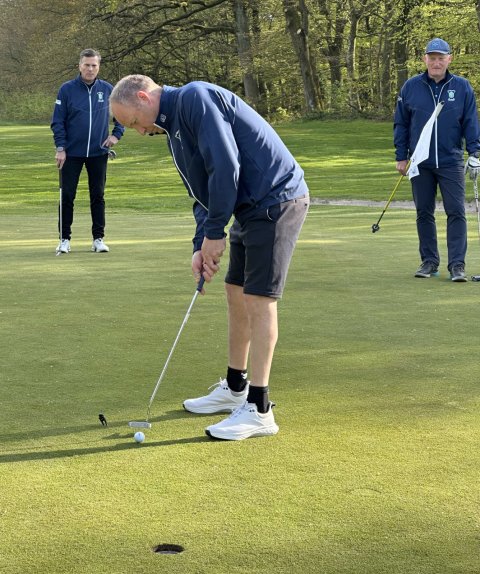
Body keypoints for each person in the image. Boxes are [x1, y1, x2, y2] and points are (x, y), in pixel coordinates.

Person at [110, 75, 309, 440]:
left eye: (134, 122)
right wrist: (200, 244)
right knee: (236, 292)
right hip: (249, 209)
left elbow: (225, 165)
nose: (138, 131)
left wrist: (216, 233)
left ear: (143, 97)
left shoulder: (195, 98)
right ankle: (236, 387)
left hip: (277, 199)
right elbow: (202, 191)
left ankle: (260, 409)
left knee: (259, 299)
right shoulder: (172, 131)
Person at [394, 37, 480, 281]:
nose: (436, 62)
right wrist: (401, 156)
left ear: (449, 59)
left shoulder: (461, 87)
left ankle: (457, 265)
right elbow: (401, 123)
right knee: (424, 212)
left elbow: (470, 121)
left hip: (451, 160)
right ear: (425, 59)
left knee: (456, 212)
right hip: (420, 162)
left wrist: (475, 153)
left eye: (441, 58)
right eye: (432, 58)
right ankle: (429, 262)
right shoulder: (411, 87)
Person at [51, 48, 125, 254]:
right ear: (80, 66)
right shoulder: (67, 89)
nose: (90, 69)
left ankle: (98, 239)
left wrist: (116, 135)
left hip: (98, 153)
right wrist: (60, 148)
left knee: (97, 196)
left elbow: (122, 116)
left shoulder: (108, 89)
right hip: (71, 153)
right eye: (86, 65)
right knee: (67, 196)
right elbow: (57, 122)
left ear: (98, 67)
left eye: (94, 65)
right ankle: (64, 239)